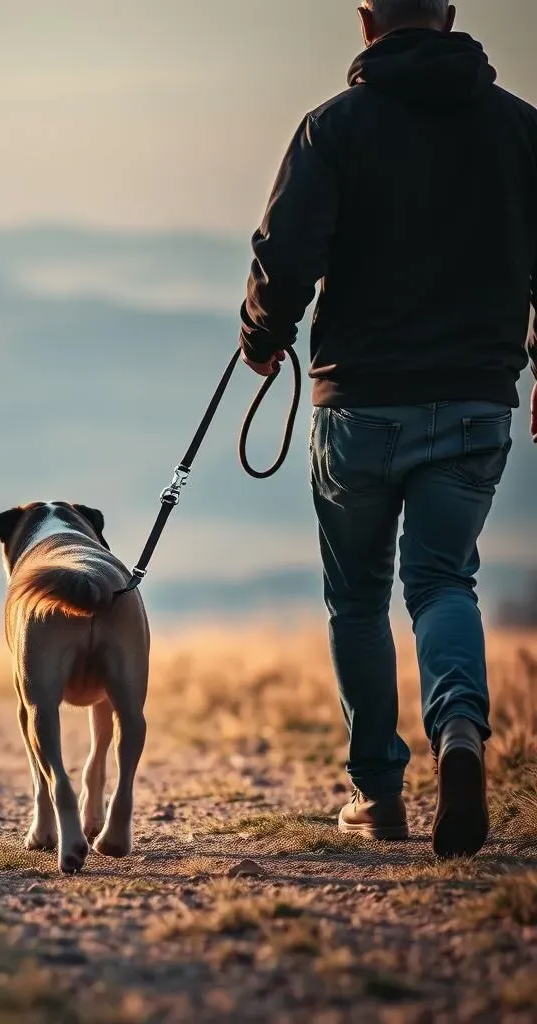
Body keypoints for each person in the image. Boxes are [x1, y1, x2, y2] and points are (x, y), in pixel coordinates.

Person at [238, 0, 537, 858]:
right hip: (477, 399)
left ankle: (379, 795)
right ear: (448, 16)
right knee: (444, 582)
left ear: (368, 22)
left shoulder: (332, 129)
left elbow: (286, 255)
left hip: (359, 404)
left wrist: (262, 338)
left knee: (360, 598)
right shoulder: (521, 130)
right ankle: (461, 739)